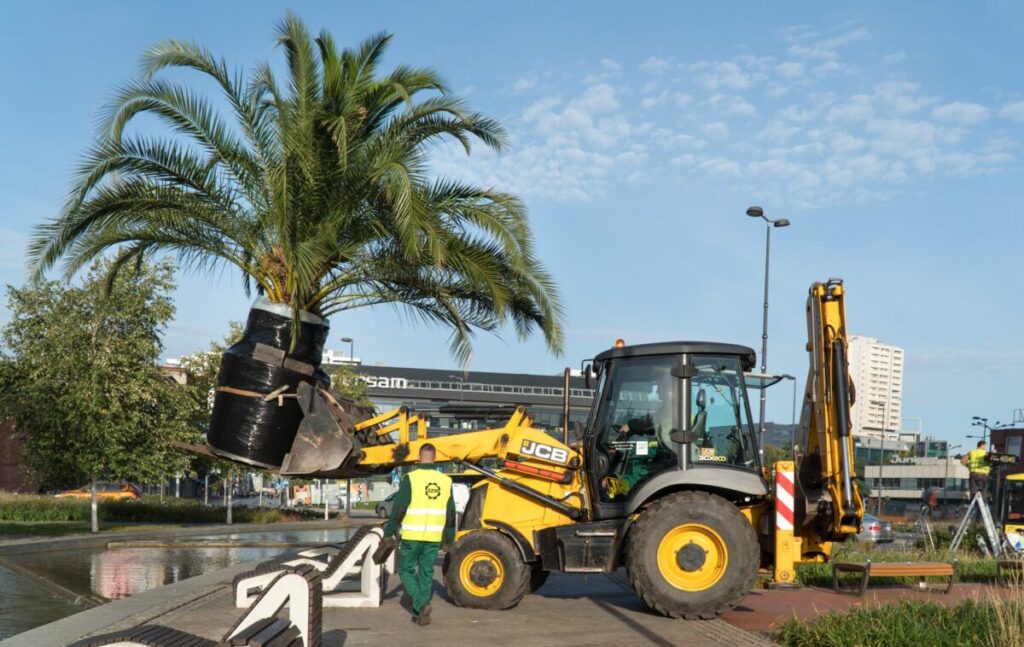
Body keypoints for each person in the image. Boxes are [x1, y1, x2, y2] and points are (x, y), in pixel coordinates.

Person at [380, 443, 456, 626]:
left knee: (405, 570)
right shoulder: (446, 481)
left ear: (419, 459)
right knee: (426, 574)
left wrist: (389, 531)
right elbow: (451, 513)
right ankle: (419, 613)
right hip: (433, 538)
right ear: (435, 459)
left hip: (412, 536)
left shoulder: (410, 479)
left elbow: (399, 509)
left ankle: (421, 604)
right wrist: (449, 538)